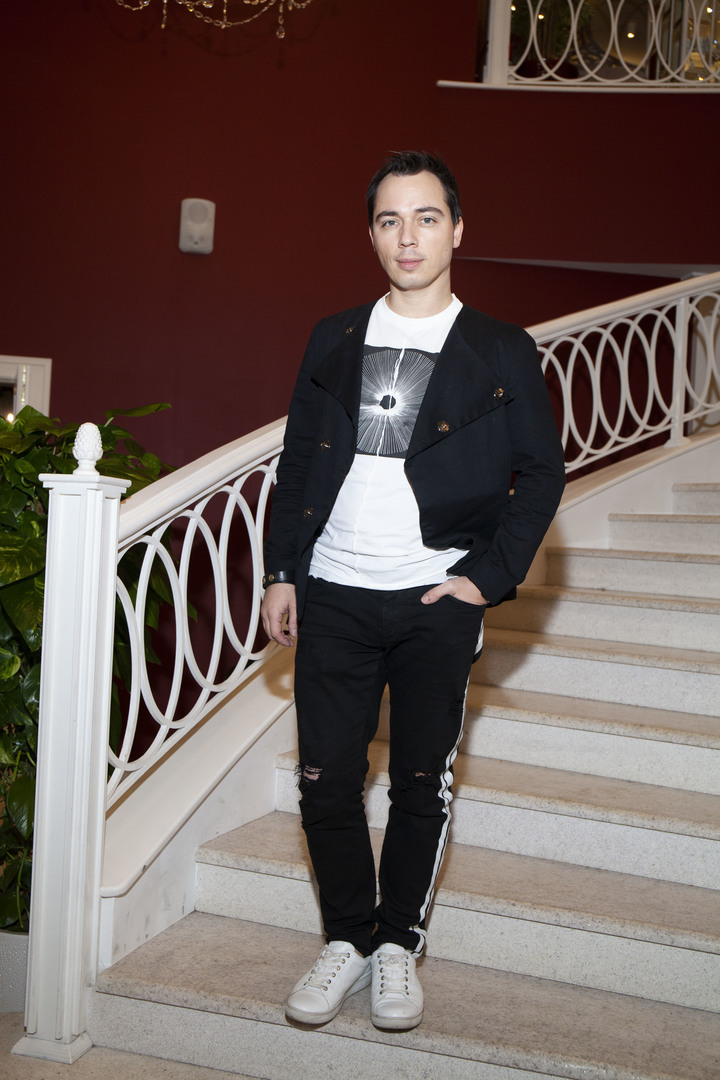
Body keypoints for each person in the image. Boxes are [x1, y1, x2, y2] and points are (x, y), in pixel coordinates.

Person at [260, 151, 566, 1032]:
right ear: (371, 234)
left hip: (436, 597)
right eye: (390, 219)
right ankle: (347, 939)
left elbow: (542, 474)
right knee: (326, 783)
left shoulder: (500, 347)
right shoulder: (333, 336)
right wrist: (283, 570)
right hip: (334, 590)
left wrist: (486, 578)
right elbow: (298, 462)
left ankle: (398, 943)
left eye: (426, 217)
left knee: (420, 783)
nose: (408, 236)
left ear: (456, 230)